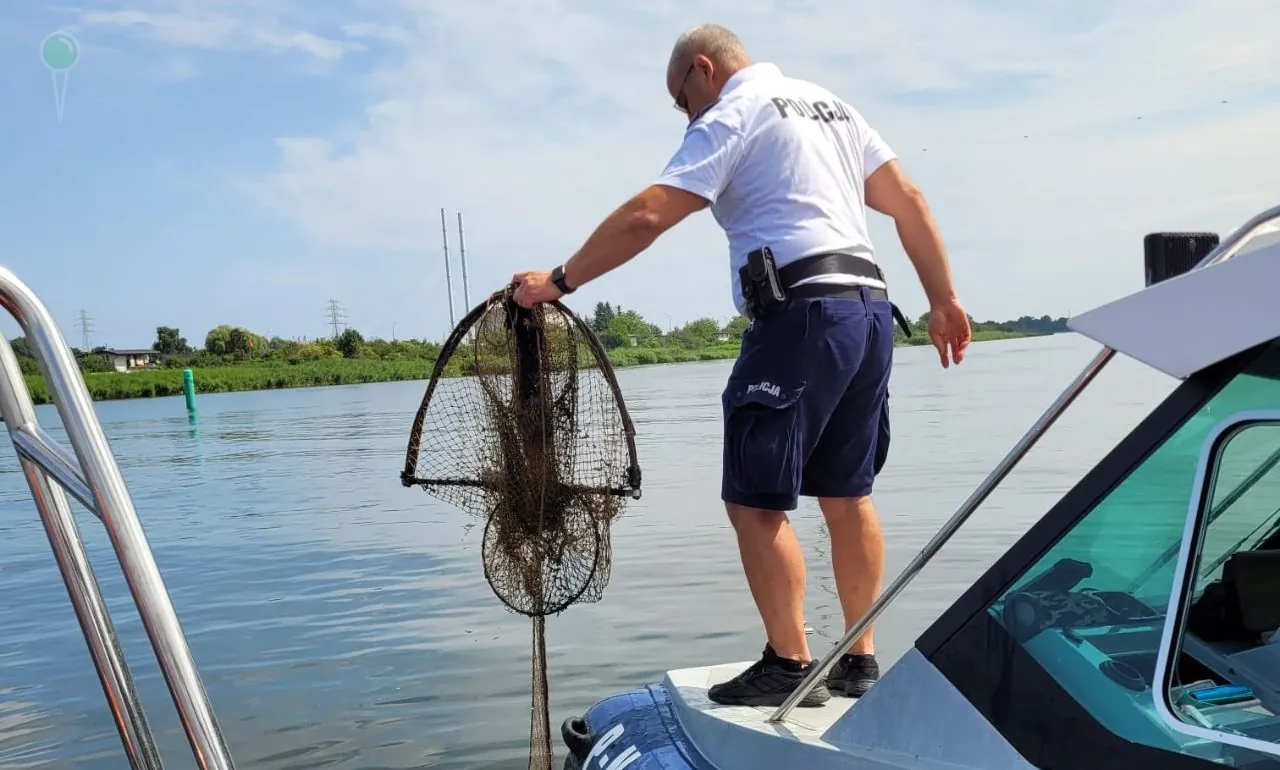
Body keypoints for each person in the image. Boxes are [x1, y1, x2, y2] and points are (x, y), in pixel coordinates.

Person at [511, 24, 971, 708]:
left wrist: (560, 280)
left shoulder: (733, 112)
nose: (685, 116)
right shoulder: (832, 107)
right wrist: (944, 299)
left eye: (681, 100)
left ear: (702, 69)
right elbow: (910, 200)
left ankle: (790, 663)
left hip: (801, 318)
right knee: (847, 495)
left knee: (753, 501)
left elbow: (647, 215)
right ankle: (858, 659)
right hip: (872, 315)